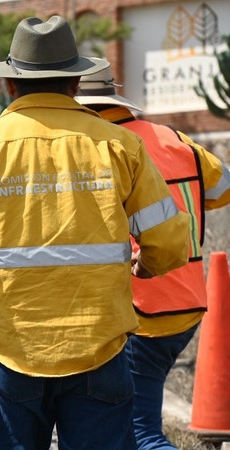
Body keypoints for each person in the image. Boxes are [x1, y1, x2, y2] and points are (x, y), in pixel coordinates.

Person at [0, 16, 191, 449]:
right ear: (76, 83)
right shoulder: (120, 145)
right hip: (100, 347)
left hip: (13, 348)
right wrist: (146, 266)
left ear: (10, 84)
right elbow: (168, 242)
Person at [75, 64, 230, 450]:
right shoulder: (174, 138)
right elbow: (221, 187)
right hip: (186, 304)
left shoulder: (97, 147)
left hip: (140, 312)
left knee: (139, 434)